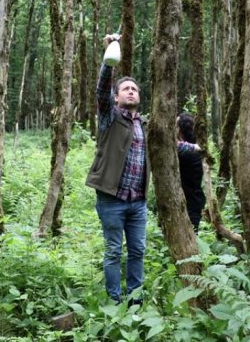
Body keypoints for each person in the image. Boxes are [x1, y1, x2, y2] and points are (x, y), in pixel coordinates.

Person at [86, 34, 149, 305]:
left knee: (137, 251)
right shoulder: (109, 117)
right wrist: (109, 60)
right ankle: (115, 303)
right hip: (112, 199)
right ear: (116, 98)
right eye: (126, 89)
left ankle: (135, 302)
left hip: (138, 202)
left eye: (134, 89)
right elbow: (101, 90)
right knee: (113, 251)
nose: (131, 91)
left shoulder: (142, 124)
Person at [176, 113, 206, 230]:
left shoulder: (188, 152)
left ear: (179, 129)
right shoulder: (195, 148)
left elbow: (172, 145)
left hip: (190, 202)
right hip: (194, 200)